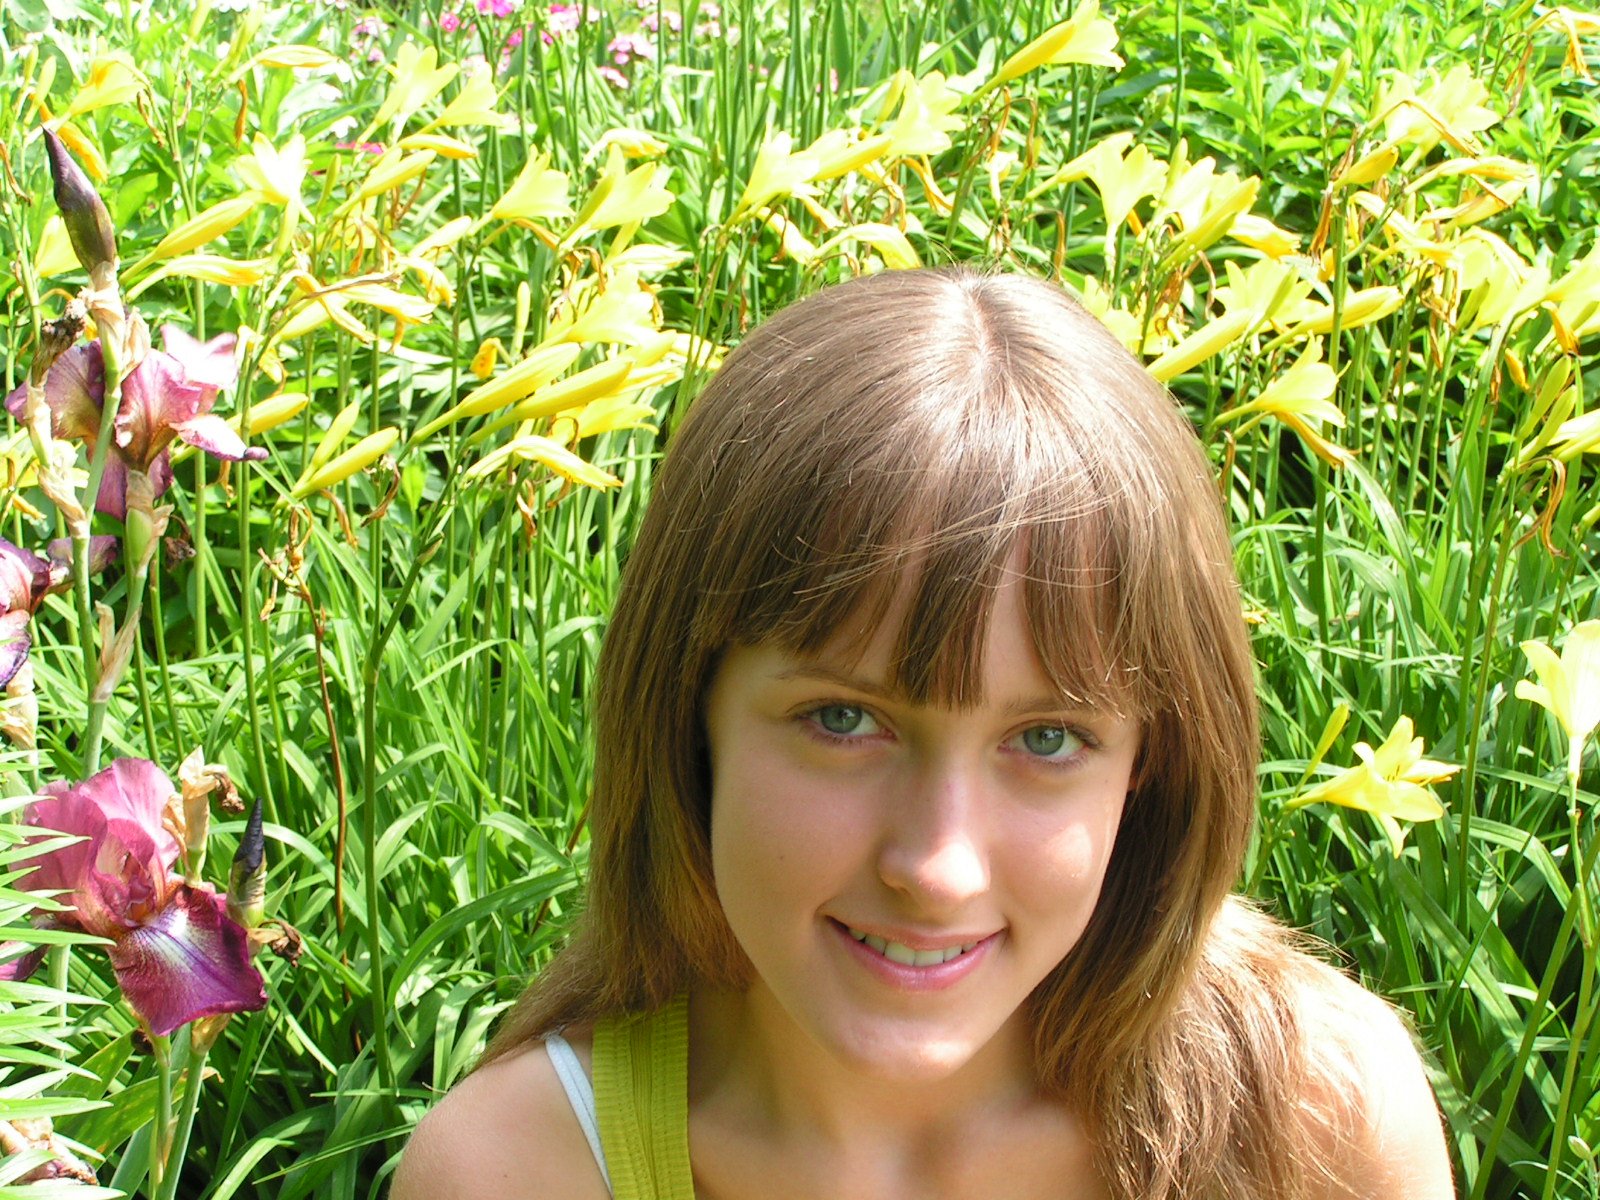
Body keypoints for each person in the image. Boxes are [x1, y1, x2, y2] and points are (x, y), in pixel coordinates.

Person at [392, 266, 1453, 1199]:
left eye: (1046, 740)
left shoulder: (1319, 1124)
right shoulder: (515, 1173)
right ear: (686, 722)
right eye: (843, 720)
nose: (936, 868)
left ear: (1153, 766)